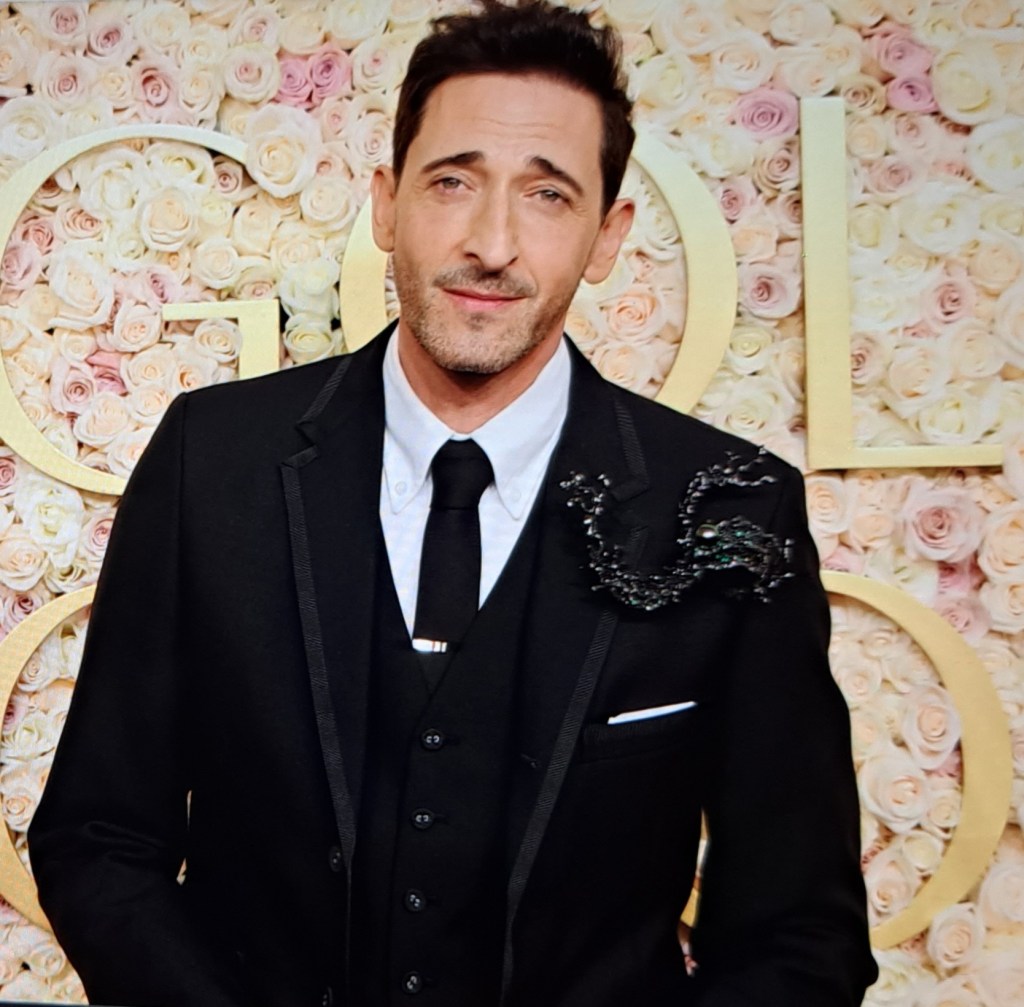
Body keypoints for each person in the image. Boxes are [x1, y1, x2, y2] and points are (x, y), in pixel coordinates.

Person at [29, 2, 877, 1005]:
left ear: (608, 236)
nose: (492, 242)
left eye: (548, 194)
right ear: (386, 205)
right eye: (452, 182)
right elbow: (98, 836)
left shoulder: (731, 504)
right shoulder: (211, 460)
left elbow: (799, 932)